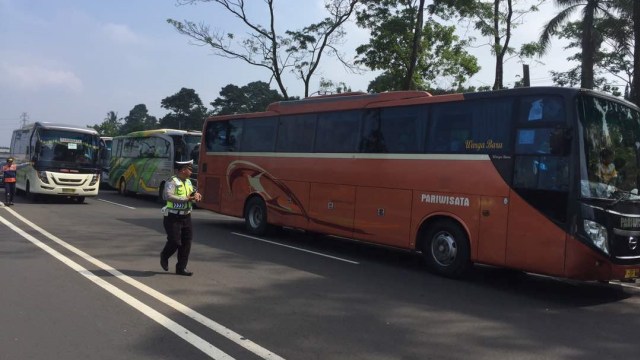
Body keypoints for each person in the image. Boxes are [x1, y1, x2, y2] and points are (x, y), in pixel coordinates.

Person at [160, 160, 202, 276]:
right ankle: (164, 255)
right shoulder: (172, 181)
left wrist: (197, 195)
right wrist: (186, 199)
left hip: (186, 216)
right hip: (173, 216)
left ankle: (181, 268)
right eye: (189, 168)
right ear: (183, 170)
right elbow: (168, 196)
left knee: (186, 243)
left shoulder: (188, 181)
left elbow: (193, 192)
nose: (191, 171)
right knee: (174, 242)